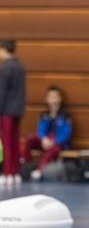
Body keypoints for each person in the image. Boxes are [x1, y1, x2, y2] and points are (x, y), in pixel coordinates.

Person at [22, 85, 72, 181]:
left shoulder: (65, 116)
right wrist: (43, 138)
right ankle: (27, 164)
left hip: (58, 144)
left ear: (60, 99)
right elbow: (41, 129)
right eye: (50, 97)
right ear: (47, 99)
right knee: (30, 138)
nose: (53, 100)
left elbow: (66, 134)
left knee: (53, 149)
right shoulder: (44, 115)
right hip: (45, 142)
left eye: (55, 97)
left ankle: (40, 170)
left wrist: (54, 141)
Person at [0, 40, 26, 186]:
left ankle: (8, 173)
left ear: (3, 50)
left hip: (6, 111)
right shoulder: (20, 67)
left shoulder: (5, 68)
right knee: (15, 142)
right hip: (17, 110)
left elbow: (1, 92)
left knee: (7, 143)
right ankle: (15, 173)